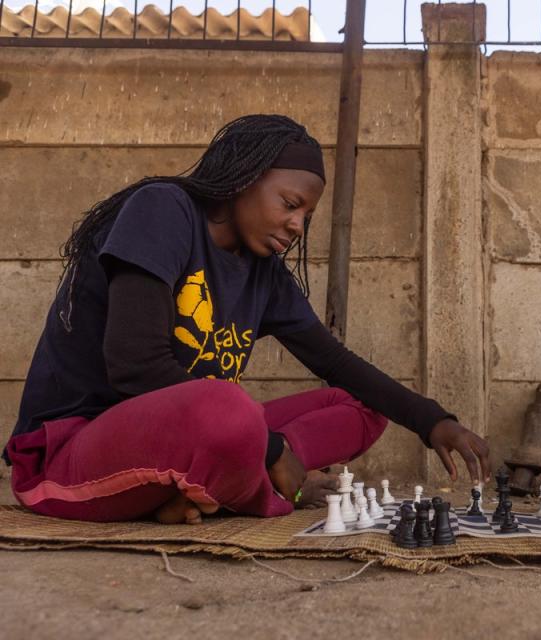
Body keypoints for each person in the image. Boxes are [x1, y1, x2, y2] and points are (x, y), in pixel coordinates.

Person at [4, 114, 490, 525]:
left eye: (307, 216)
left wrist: (432, 421)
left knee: (357, 405)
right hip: (74, 452)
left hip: (194, 443)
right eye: (290, 204)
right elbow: (134, 365)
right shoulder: (162, 211)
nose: (298, 226)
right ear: (243, 177)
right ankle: (263, 487)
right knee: (228, 409)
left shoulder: (263, 274)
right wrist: (273, 448)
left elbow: (336, 363)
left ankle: (213, 486)